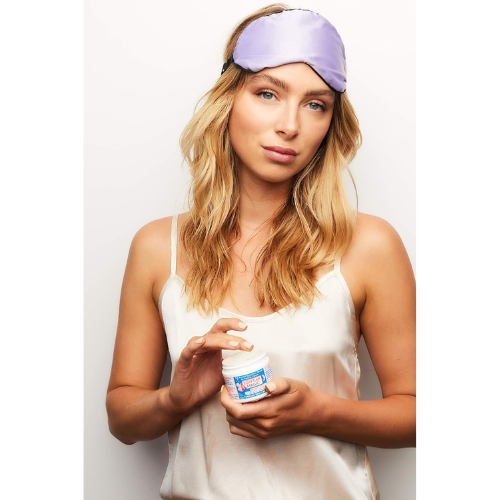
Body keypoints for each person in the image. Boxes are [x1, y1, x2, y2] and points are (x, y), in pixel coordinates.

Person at [106, 4, 415, 499]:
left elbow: (419, 414)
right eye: (268, 93)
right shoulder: (157, 248)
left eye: (316, 104)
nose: (289, 124)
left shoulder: (368, 247)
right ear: (228, 98)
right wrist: (175, 398)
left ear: (331, 123)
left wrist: (316, 412)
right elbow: (122, 419)